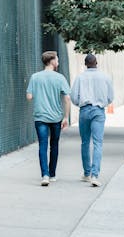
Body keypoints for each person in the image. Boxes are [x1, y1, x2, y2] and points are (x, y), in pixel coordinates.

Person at [26, 51, 71, 186]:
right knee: (54, 146)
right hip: (56, 117)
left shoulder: (35, 77)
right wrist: (66, 117)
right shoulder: (60, 78)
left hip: (40, 117)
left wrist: (39, 94)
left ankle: (44, 175)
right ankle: (52, 174)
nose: (58, 62)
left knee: (42, 145)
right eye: (57, 59)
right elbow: (67, 98)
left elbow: (29, 97)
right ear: (52, 61)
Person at [70, 54, 114, 187]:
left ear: (85, 64)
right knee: (97, 143)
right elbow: (110, 97)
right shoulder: (105, 77)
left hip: (84, 110)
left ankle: (87, 173)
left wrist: (81, 104)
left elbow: (73, 97)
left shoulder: (80, 77)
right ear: (97, 63)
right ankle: (95, 175)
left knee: (84, 142)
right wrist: (102, 103)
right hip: (98, 111)